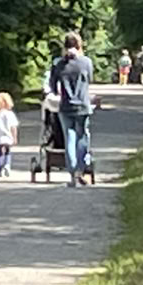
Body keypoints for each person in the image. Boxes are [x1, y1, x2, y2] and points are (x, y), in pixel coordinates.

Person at [48, 31, 95, 187]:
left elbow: (53, 87)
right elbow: (90, 79)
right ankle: (81, 170)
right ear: (79, 45)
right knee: (82, 138)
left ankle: (72, 174)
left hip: (65, 106)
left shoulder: (58, 64)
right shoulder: (86, 62)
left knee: (70, 139)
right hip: (83, 105)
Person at [0, 92, 20, 178]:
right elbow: (13, 127)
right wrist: (14, 137)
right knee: (8, 153)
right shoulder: (10, 115)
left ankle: (0, 169)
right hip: (8, 138)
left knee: (0, 154)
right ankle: (7, 166)